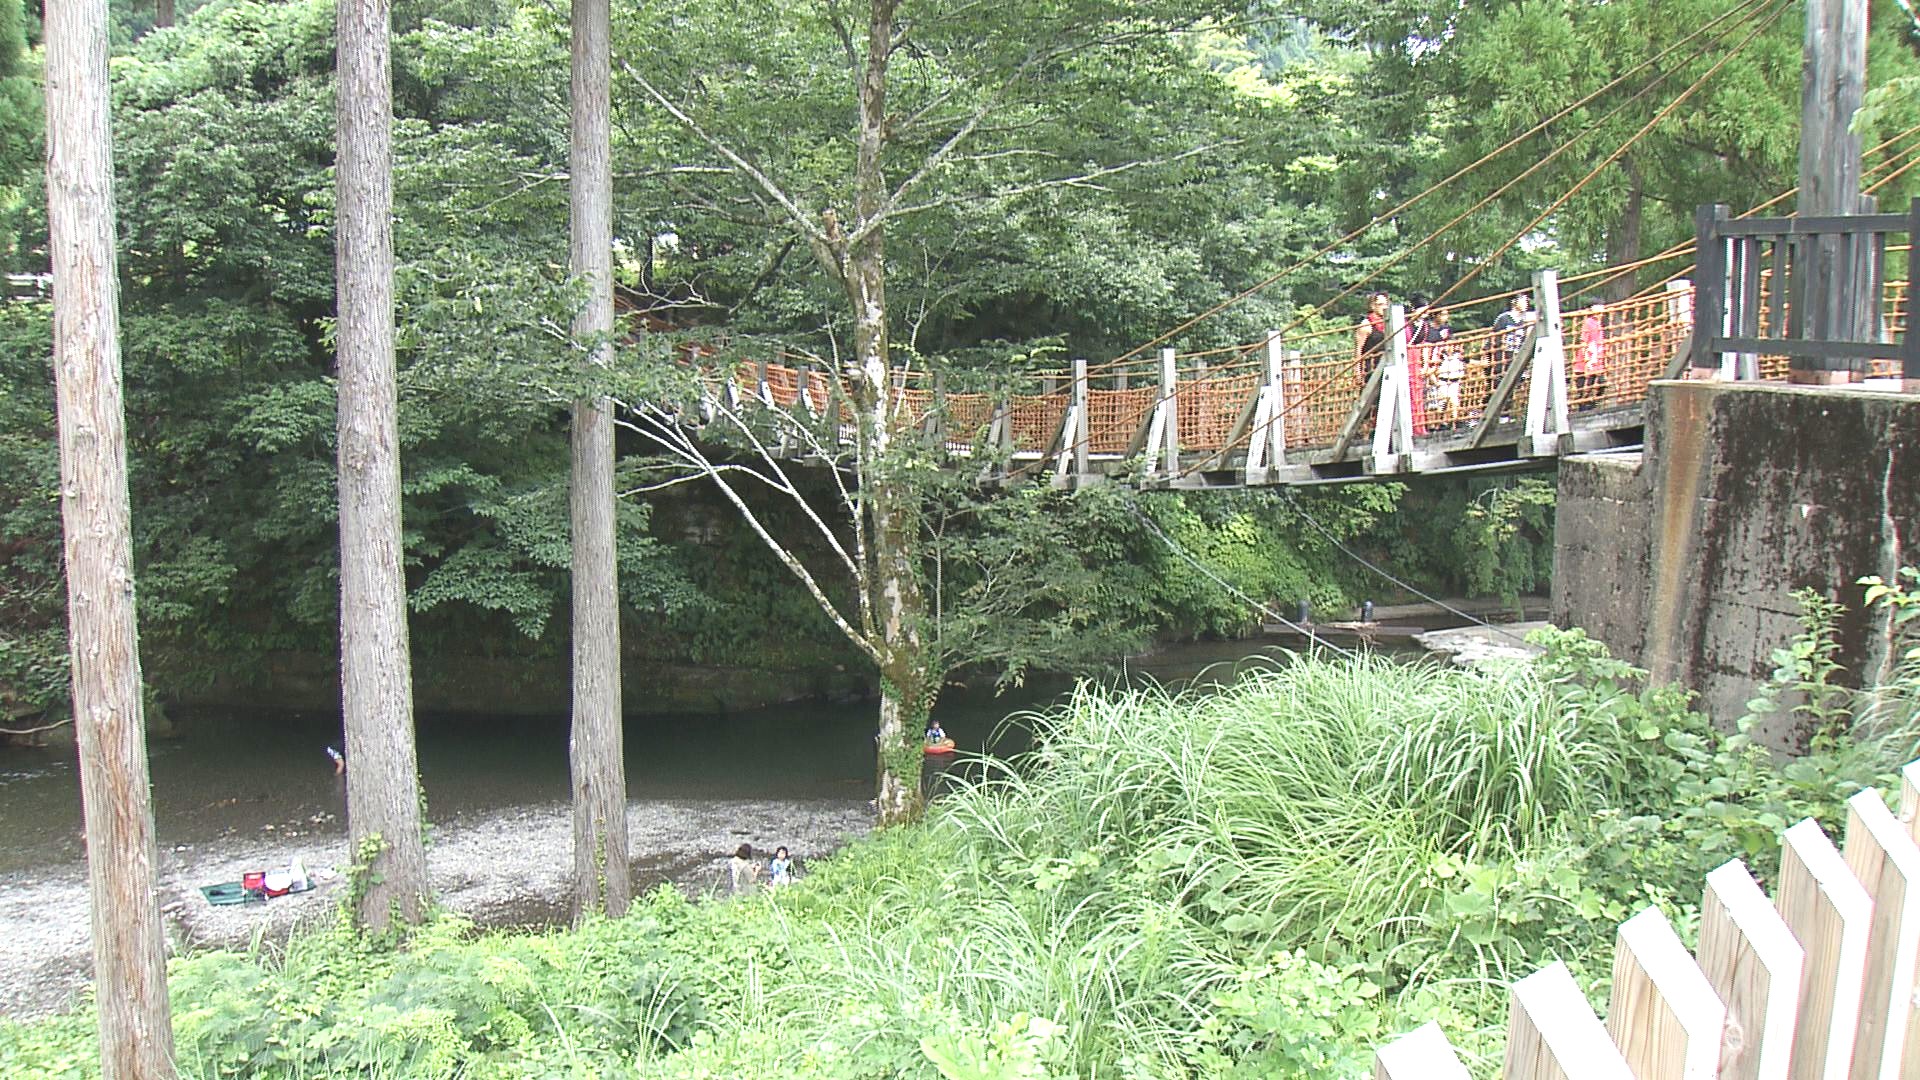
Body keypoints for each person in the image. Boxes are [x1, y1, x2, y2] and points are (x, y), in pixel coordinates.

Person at [1428, 309, 1464, 427]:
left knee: (1454, 403)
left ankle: (1453, 423)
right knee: (1439, 405)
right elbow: (1432, 364)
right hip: (1440, 378)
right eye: (1443, 314)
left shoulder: (1447, 331)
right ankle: (1436, 425)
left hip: (1452, 379)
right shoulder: (1430, 332)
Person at [1353, 292, 1389, 382]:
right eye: (1380, 304)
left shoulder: (1388, 323)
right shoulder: (1366, 325)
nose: (1384, 307)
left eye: (1386, 304)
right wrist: (1357, 371)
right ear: (1373, 306)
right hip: (1370, 367)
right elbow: (1358, 350)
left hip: (1386, 365)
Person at [1577, 302, 1609, 405]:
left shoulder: (1598, 323)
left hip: (1596, 361)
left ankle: (1593, 404)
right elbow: (1583, 341)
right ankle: (1584, 408)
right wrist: (1587, 359)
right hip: (1587, 362)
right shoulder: (1588, 322)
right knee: (1585, 390)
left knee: (1601, 383)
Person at [1492, 292, 1534, 367]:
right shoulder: (1503, 318)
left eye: (1526, 301)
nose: (1526, 303)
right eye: (1523, 301)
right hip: (1504, 358)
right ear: (1514, 302)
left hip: (1520, 357)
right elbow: (1494, 339)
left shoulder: (1527, 319)